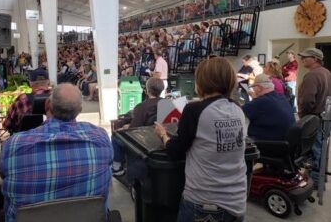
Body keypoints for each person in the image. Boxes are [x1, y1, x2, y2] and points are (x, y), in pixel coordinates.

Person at [0, 83, 113, 222]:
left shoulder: (14, 144)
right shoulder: (100, 137)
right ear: (80, 110)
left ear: (47, 105)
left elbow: (3, 173)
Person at [155, 57, 247, 222]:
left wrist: (163, 134)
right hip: (237, 201)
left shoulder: (194, 110)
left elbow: (176, 151)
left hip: (204, 203)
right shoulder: (237, 109)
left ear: (202, 82)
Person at [111, 77, 164, 176]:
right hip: (162, 140)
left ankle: (117, 167)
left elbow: (133, 129)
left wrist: (125, 127)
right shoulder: (168, 104)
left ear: (147, 90)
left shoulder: (142, 107)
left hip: (145, 143)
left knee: (116, 136)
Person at [297, 48, 331, 185]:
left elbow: (307, 100)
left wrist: (304, 115)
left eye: (306, 57)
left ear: (315, 59)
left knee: (314, 150)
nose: (302, 59)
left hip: (314, 118)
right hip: (325, 117)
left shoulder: (312, 75)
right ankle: (320, 177)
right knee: (322, 148)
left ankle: (315, 181)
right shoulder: (327, 72)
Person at [243, 74, 295, 141]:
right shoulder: (282, 97)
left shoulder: (261, 101)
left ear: (259, 88)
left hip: (269, 144)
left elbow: (239, 112)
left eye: (253, 87)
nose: (253, 90)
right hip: (285, 141)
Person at [3, 67, 50, 133]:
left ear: (30, 83)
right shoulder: (57, 97)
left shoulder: (22, 99)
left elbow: (7, 125)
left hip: (26, 141)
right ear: (48, 82)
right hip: (53, 140)